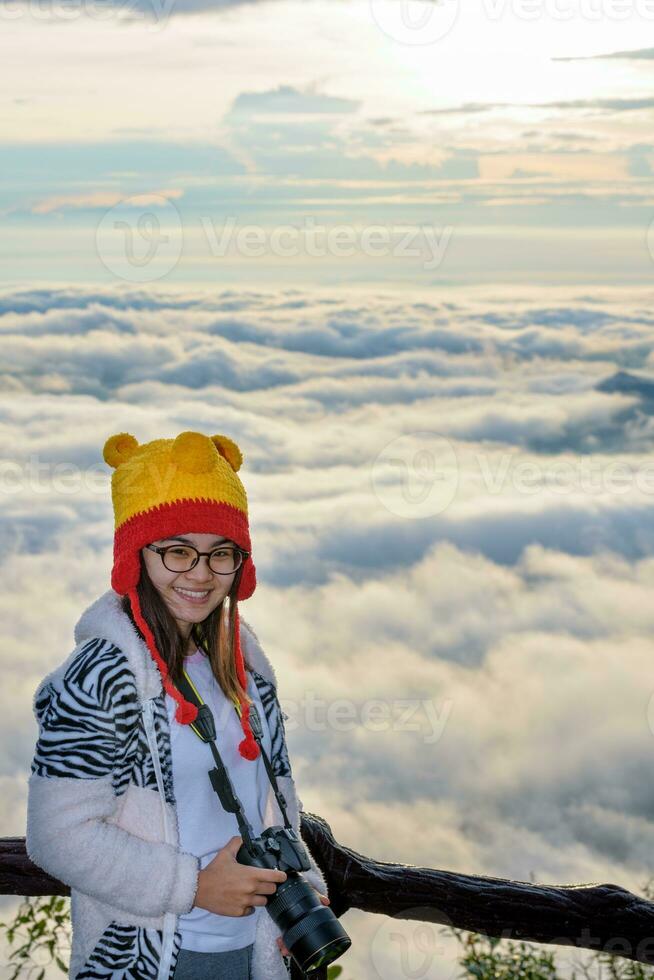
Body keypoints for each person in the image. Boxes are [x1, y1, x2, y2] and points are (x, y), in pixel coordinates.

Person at [26, 430, 330, 980]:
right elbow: (57, 836)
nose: (201, 573)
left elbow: (272, 799)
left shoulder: (245, 664)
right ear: (135, 556)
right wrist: (193, 887)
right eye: (177, 550)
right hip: (155, 956)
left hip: (256, 948)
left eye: (222, 554)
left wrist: (302, 890)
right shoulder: (100, 676)